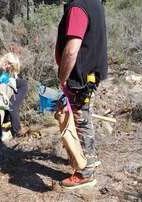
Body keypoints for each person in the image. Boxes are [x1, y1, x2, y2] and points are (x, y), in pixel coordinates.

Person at [55, 0, 108, 189]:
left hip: (80, 78)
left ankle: (85, 173)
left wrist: (63, 78)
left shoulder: (78, 7)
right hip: (90, 75)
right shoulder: (95, 3)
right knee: (84, 118)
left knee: (79, 122)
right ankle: (90, 159)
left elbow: (72, 49)